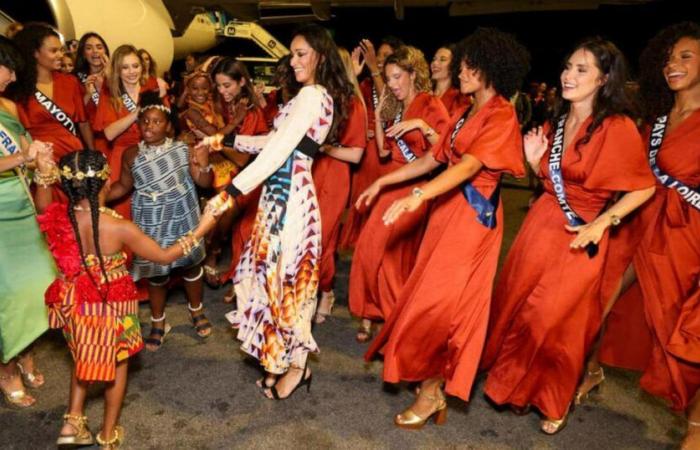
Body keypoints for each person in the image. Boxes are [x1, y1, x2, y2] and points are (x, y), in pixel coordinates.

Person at [481, 37, 656, 434]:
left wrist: (603, 222)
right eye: (567, 67)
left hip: (584, 234)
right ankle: (515, 386)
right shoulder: (557, 122)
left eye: (581, 70)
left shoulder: (617, 126)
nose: (568, 75)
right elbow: (543, 180)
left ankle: (552, 396)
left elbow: (643, 188)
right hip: (540, 226)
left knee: (554, 320)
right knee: (518, 305)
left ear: (603, 79)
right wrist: (531, 163)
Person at [362, 27, 529, 429]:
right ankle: (429, 383)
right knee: (425, 301)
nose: (462, 71)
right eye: (463, 63)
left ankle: (433, 389)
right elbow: (436, 158)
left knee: (439, 310)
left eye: (472, 65)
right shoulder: (465, 110)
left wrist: (418, 196)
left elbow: (470, 165)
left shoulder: (502, 113)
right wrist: (386, 180)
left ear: (492, 69)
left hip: (472, 222)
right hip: (446, 214)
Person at [200, 24, 349, 399]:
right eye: (293, 54)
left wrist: (230, 193)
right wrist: (227, 139)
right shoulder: (306, 96)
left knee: (288, 285)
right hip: (278, 199)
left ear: (320, 56)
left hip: (292, 203)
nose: (294, 61)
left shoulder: (314, 95)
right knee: (271, 281)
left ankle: (296, 369)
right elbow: (273, 140)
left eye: (302, 54)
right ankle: (276, 360)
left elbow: (280, 151)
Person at [32, 148, 217, 448]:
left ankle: (72, 422)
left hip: (74, 301)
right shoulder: (118, 227)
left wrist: (42, 171)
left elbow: (42, 198)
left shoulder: (57, 215)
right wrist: (203, 228)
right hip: (111, 304)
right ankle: (108, 434)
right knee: (117, 366)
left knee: (83, 357)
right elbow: (165, 256)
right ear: (105, 183)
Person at [585, 22, 700, 450]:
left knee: (685, 331)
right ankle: (591, 369)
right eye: (670, 58)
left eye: (686, 56)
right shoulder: (658, 118)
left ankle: (695, 429)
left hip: (688, 238)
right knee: (601, 296)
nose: (674, 64)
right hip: (642, 225)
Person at [349, 45, 450, 342]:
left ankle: (393, 322)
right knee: (370, 253)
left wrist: (422, 125)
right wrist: (380, 118)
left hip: (414, 186)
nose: (392, 84)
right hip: (389, 179)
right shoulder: (394, 103)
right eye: (389, 78)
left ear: (412, 74)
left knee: (389, 258)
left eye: (396, 77)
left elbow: (444, 151)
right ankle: (374, 312)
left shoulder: (430, 104)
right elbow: (382, 151)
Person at [107, 92, 213, 351]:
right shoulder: (131, 154)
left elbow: (204, 183)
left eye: (156, 122)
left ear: (168, 125)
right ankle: (158, 321)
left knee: (190, 264)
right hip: (151, 219)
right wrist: (96, 197)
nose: (149, 127)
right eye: (144, 121)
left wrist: (205, 166)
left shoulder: (182, 148)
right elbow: (123, 185)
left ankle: (196, 309)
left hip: (183, 213)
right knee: (156, 272)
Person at [0, 36, 54, 408]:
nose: (13, 75)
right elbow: (17, 156)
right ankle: (8, 370)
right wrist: (23, 158)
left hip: (22, 207)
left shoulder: (7, 105)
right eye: (8, 66)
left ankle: (26, 351)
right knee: (10, 298)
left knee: (41, 287)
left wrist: (40, 159)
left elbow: (25, 147)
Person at [312, 47, 367, 323]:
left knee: (322, 239)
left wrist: (325, 148)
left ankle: (326, 290)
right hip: (310, 172)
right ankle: (312, 291)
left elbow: (355, 154)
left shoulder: (353, 104)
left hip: (334, 177)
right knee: (307, 238)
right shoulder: (316, 97)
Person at [210, 56, 269, 301]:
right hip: (225, 167)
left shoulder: (252, 111)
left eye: (227, 86)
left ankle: (230, 268)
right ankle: (215, 254)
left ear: (242, 82)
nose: (222, 91)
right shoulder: (221, 103)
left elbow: (243, 160)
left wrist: (214, 139)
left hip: (252, 173)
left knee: (230, 211)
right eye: (219, 86)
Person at [339, 36, 403, 251]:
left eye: (386, 56)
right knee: (361, 200)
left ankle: (373, 245)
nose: (380, 59)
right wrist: (353, 77)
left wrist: (375, 67)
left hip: (385, 154)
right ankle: (360, 247)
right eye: (379, 55)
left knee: (379, 203)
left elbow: (390, 106)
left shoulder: (396, 88)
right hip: (365, 153)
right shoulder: (366, 84)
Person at [93, 44, 161, 219]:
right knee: (124, 212)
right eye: (125, 67)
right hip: (122, 157)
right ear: (118, 70)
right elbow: (109, 133)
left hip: (152, 154)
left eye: (135, 66)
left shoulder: (152, 87)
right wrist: (137, 113)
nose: (132, 71)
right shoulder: (110, 94)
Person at [10, 23, 94, 162]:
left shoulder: (70, 82)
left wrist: (93, 154)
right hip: (41, 159)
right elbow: (19, 133)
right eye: (54, 50)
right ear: (34, 52)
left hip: (73, 157)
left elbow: (83, 122)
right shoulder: (18, 88)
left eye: (61, 50)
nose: (61, 55)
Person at [74, 32, 110, 155]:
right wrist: (88, 95)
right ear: (83, 54)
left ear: (105, 51)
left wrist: (109, 77)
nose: (95, 51)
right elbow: (74, 115)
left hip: (114, 136)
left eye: (99, 47)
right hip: (89, 139)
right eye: (89, 48)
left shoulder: (117, 76)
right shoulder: (76, 79)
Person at [430, 44, 470, 114]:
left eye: (442, 59)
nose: (435, 63)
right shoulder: (424, 93)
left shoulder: (460, 99)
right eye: (434, 59)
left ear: (453, 65)